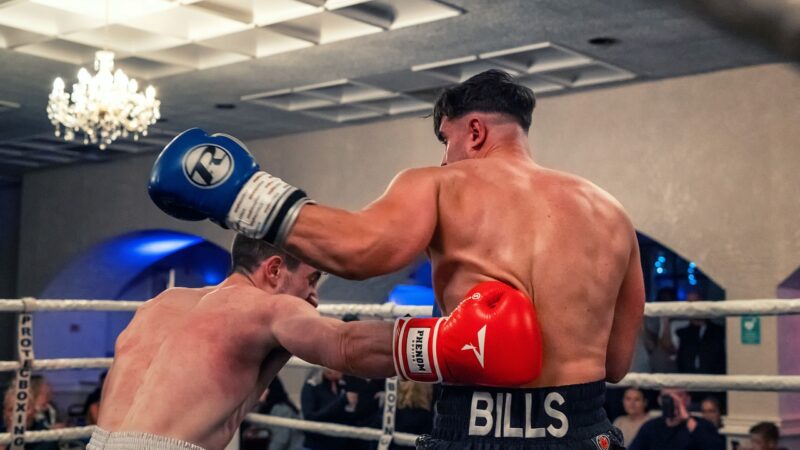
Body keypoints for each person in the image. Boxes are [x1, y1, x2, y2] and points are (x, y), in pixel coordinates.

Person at [149, 69, 646, 449]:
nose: (446, 157)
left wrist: (244, 197)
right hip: (586, 432)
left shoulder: (441, 183)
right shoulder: (611, 212)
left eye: (446, 140)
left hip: (473, 426)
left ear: (473, 131)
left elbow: (363, 250)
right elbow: (618, 363)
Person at [629, 388, 724, 450]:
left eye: (679, 395)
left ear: (688, 399)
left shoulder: (701, 425)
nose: (673, 401)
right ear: (660, 400)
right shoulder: (650, 427)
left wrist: (687, 419)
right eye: (668, 397)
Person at [300, 369, 359, 450]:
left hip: (341, 443)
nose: (335, 369)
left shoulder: (344, 385)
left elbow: (351, 418)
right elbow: (310, 417)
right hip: (317, 443)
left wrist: (351, 408)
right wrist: (342, 401)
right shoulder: (312, 386)